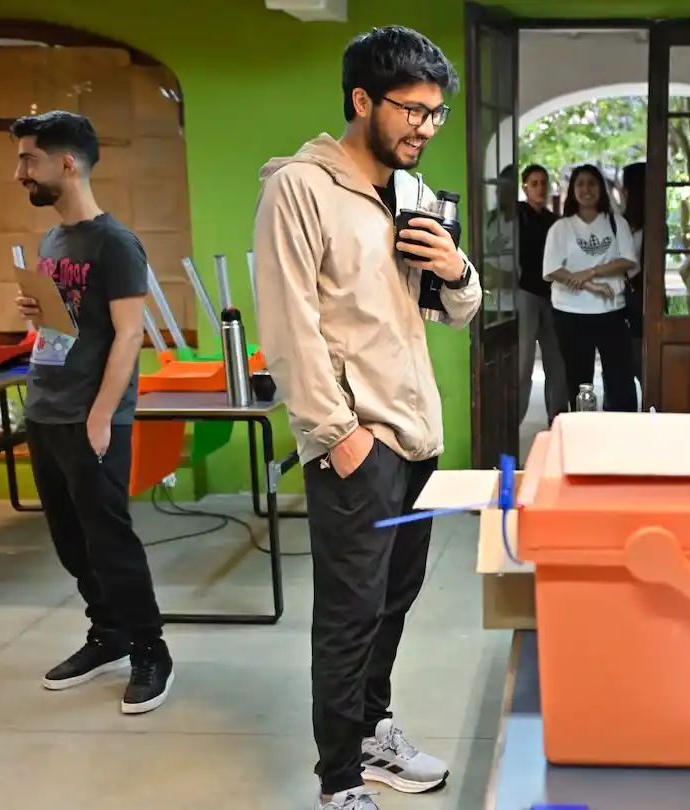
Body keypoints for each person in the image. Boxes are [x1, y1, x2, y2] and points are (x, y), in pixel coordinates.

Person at [250, 26, 480, 810]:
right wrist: (338, 435)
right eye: (411, 110)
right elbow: (287, 327)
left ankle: (374, 732)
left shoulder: (409, 191)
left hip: (416, 438)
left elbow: (451, 312)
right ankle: (339, 781)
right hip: (356, 443)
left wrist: (456, 269)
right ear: (361, 100)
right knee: (348, 617)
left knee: (395, 599)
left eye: (435, 114)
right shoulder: (299, 190)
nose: (424, 127)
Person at [9, 111, 173, 715]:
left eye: (29, 159)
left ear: (67, 163)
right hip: (47, 408)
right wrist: (38, 312)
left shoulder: (116, 243)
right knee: (71, 541)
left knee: (110, 540)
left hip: (90, 416)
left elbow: (130, 335)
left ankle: (151, 649)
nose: (19, 171)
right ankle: (107, 634)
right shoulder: (53, 241)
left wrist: (102, 415)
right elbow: (66, 327)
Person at [543, 164, 640, 412]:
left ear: (602, 189)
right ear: (572, 190)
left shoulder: (615, 222)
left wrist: (591, 272)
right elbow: (552, 270)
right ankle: (581, 433)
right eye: (581, 184)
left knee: (620, 381)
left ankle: (621, 433)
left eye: (592, 183)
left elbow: (628, 260)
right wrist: (594, 286)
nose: (587, 189)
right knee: (578, 381)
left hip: (611, 312)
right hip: (570, 313)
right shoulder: (561, 228)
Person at [515, 164, 567, 425]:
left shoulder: (554, 222)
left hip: (554, 296)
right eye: (534, 183)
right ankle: (512, 422)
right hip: (525, 294)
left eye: (543, 183)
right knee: (523, 364)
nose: (540, 188)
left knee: (556, 363)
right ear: (525, 187)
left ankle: (557, 420)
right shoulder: (516, 216)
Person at [621, 162, 646, 383]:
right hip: (641, 297)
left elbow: (632, 267)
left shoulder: (622, 223)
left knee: (631, 359)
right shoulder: (622, 223)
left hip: (632, 299)